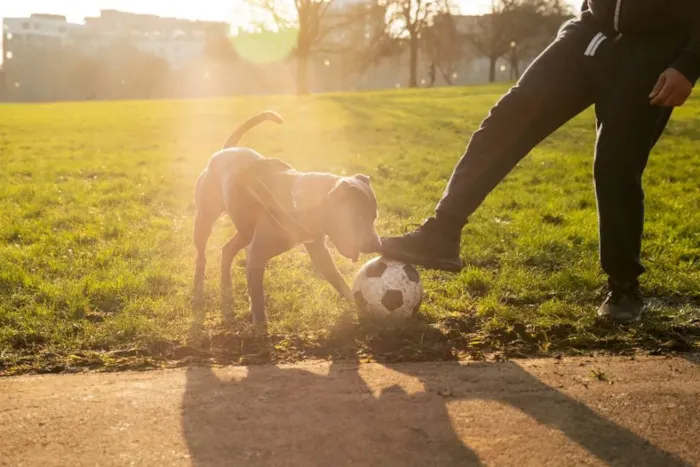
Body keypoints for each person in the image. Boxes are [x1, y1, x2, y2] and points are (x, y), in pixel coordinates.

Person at [380, 0, 699, 323]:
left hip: (655, 49)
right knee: (509, 118)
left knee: (615, 163)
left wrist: (689, 62)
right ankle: (441, 233)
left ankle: (624, 286)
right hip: (590, 32)